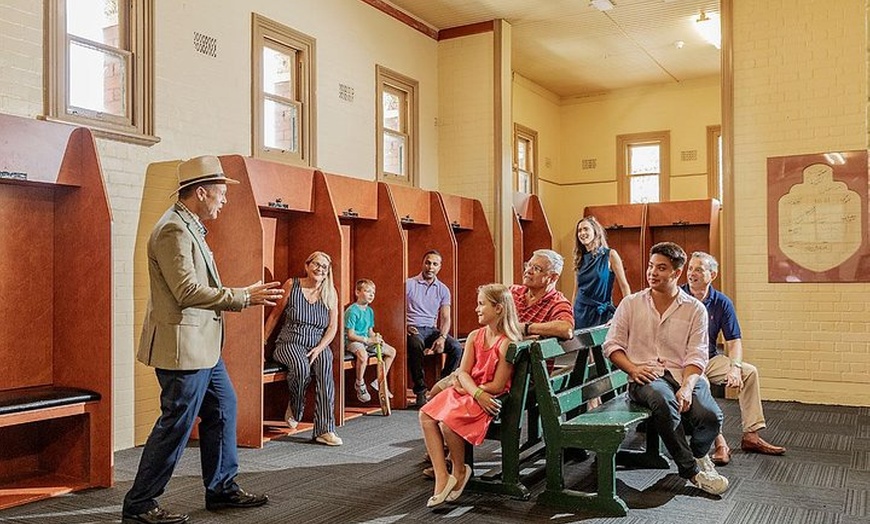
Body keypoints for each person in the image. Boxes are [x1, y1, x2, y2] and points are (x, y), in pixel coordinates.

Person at [123, 156, 284, 524]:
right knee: (176, 425)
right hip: (184, 350)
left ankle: (221, 488)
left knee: (223, 407)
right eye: (220, 194)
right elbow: (187, 290)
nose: (224, 201)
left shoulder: (189, 226)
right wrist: (242, 296)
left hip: (203, 348)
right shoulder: (173, 230)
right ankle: (140, 504)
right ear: (200, 192)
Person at [603, 242, 729, 495]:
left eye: (661, 268)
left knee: (711, 418)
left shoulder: (695, 309)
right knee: (664, 400)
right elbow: (612, 345)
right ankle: (692, 471)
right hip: (646, 376)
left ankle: (698, 454)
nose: (653, 273)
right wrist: (633, 369)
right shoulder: (631, 303)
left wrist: (687, 387)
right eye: (651, 266)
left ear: (676, 273)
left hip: (684, 375)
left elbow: (698, 355)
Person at [419, 283, 522, 508]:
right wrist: (471, 390)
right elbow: (462, 372)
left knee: (447, 424)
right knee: (426, 415)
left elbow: (497, 385)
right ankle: (441, 474)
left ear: (499, 308)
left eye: (481, 304)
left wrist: (470, 389)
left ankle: (460, 468)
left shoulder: (506, 343)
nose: (477, 309)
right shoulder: (475, 336)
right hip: (471, 392)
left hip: (489, 398)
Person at [684, 251, 786, 465]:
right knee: (701, 384)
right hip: (683, 362)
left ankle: (751, 435)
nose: (692, 273)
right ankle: (720, 443)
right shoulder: (678, 296)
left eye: (698, 269)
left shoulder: (722, 302)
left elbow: (734, 341)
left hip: (709, 358)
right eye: (690, 268)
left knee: (749, 372)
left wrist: (735, 367)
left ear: (712, 275)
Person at [264, 251, 342, 446]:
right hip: (289, 342)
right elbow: (274, 316)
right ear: (307, 266)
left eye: (324, 267)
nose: (320, 269)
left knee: (325, 368)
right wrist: (262, 342)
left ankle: (325, 430)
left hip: (317, 343)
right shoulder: (292, 285)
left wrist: (320, 348)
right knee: (300, 367)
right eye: (316, 264)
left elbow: (332, 327)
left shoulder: (330, 292)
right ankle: (296, 406)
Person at [406, 250, 463, 407]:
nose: (430, 267)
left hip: (431, 329)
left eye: (435, 264)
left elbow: (445, 317)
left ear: (439, 267)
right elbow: (396, 309)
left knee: (457, 347)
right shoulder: (409, 284)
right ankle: (421, 390)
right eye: (428, 263)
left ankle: (441, 387)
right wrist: (405, 327)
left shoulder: (443, 289)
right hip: (413, 328)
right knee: (415, 345)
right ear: (423, 264)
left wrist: (442, 337)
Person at [571, 216, 631, 329]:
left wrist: (625, 313)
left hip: (601, 313)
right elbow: (576, 291)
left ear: (595, 231)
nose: (582, 233)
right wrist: (570, 315)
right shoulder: (580, 259)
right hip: (580, 313)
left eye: (586, 229)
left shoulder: (610, 255)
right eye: (579, 230)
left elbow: (624, 286)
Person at [344, 278, 396, 402]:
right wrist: (367, 340)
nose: (371, 294)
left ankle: (379, 381)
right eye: (367, 291)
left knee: (391, 351)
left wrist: (376, 338)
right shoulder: (352, 311)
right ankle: (359, 383)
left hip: (366, 340)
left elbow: (370, 331)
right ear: (357, 292)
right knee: (363, 355)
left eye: (373, 292)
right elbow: (350, 335)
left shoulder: (369, 311)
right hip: (353, 341)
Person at [511, 249, 575, 340]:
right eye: (528, 265)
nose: (528, 271)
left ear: (553, 277)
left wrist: (526, 328)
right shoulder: (513, 292)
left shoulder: (558, 303)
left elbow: (566, 330)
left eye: (536, 268)